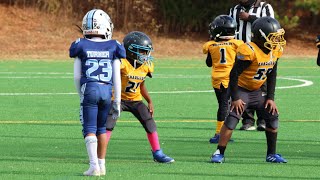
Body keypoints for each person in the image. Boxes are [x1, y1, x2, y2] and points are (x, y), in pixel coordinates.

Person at [210, 17, 288, 163]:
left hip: (258, 91)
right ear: (260, 36)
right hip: (241, 90)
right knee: (233, 118)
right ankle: (218, 152)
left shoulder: (275, 50)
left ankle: (271, 154)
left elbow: (272, 74)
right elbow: (234, 74)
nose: (277, 41)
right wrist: (235, 98)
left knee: (272, 116)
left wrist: (270, 97)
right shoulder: (249, 50)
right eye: (273, 37)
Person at [69, 9, 125, 176]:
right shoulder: (114, 46)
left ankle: (94, 165)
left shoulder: (80, 45)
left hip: (90, 89)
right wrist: (118, 101)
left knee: (89, 128)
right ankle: (102, 165)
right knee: (101, 128)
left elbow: (77, 76)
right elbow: (117, 77)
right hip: (107, 91)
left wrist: (82, 96)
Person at [105, 31, 174, 163]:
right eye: (142, 51)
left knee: (150, 123)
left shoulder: (146, 66)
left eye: (146, 52)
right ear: (130, 51)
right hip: (117, 99)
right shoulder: (122, 63)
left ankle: (157, 152)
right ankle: (98, 153)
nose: (145, 55)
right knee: (108, 125)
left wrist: (149, 100)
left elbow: (141, 85)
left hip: (136, 100)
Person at [229, 0, 275, 131]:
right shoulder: (234, 9)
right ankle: (248, 120)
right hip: (243, 54)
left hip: (260, 52)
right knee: (243, 85)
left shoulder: (265, 7)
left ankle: (263, 120)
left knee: (261, 85)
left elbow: (270, 24)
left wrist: (249, 17)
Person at [202, 15, 244, 143]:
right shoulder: (237, 44)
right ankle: (219, 133)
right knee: (225, 105)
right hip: (230, 79)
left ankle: (221, 132)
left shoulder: (210, 45)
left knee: (224, 105)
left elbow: (209, 63)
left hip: (217, 80)